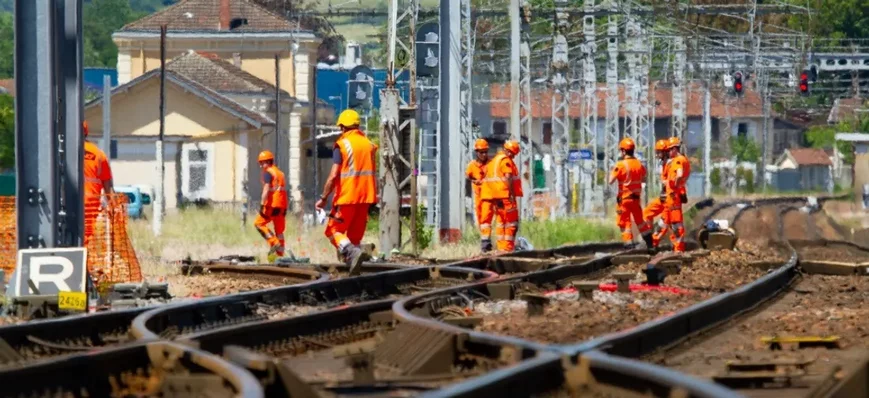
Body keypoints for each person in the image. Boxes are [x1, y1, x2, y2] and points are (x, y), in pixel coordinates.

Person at [316, 109, 378, 275]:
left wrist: (323, 198)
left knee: (333, 231)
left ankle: (352, 254)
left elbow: (334, 175)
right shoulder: (369, 145)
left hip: (347, 197)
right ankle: (354, 271)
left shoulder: (342, 145)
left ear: (342, 127)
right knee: (354, 239)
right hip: (366, 197)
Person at [608, 137, 653, 249]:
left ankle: (629, 245)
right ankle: (650, 243)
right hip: (636, 199)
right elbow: (644, 176)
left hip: (624, 199)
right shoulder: (638, 164)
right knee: (640, 222)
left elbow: (610, 180)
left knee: (624, 222)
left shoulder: (621, 165)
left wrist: (613, 169)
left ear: (623, 151)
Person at [480, 140, 523, 252]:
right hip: (506, 196)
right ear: (510, 152)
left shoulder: (494, 161)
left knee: (501, 222)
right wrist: (512, 194)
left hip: (497, 197)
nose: (513, 157)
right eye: (513, 155)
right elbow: (508, 176)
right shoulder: (505, 160)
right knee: (511, 222)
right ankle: (508, 248)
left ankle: (501, 248)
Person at [82, 121, 115, 246]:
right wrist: (113, 207)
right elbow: (108, 187)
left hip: (68, 202)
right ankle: (83, 263)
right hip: (90, 205)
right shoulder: (99, 154)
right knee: (85, 239)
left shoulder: (64, 152)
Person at [254, 150, 288, 259]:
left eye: (261, 163)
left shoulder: (268, 172)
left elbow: (266, 189)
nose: (260, 166)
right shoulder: (280, 173)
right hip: (282, 206)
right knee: (279, 231)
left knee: (259, 224)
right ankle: (280, 255)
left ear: (266, 162)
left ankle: (274, 242)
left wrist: (262, 204)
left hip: (272, 205)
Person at [642, 139, 671, 248]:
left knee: (663, 222)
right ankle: (649, 237)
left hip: (670, 199)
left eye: (659, 152)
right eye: (657, 152)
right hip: (663, 198)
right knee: (647, 212)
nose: (657, 155)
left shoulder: (671, 164)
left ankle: (654, 242)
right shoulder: (663, 165)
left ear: (665, 152)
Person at [665, 136, 691, 252]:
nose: (668, 152)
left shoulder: (678, 160)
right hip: (676, 193)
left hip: (674, 194)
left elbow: (679, 174)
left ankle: (678, 248)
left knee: (676, 222)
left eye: (670, 150)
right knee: (673, 222)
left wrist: (675, 184)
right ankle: (677, 246)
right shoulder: (683, 159)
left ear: (675, 149)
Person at [466, 138, 491, 251]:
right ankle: (486, 242)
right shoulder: (472, 166)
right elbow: (467, 177)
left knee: (486, 219)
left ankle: (486, 243)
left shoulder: (491, 164)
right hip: (478, 198)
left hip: (489, 197)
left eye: (486, 151)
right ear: (477, 152)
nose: (484, 154)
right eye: (482, 152)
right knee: (481, 221)